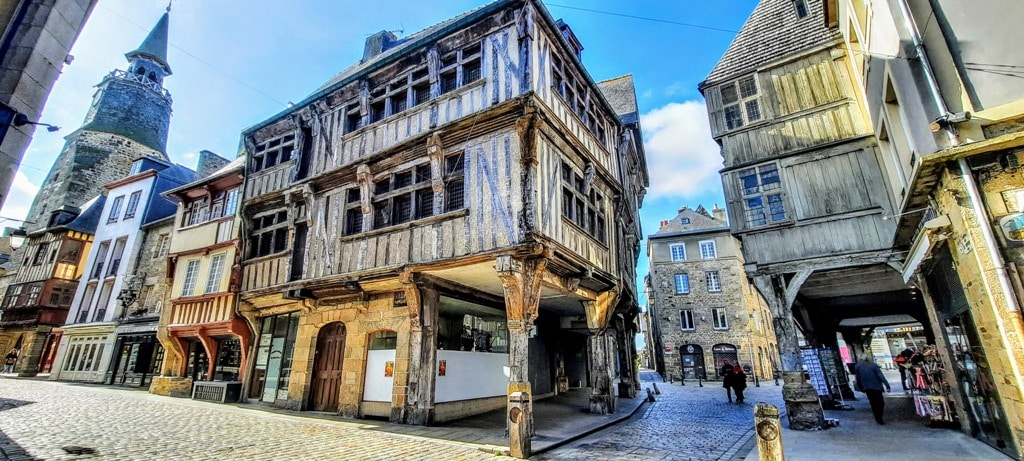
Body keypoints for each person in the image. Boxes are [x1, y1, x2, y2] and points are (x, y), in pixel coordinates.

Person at [854, 356, 891, 424]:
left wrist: (861, 387)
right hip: (876, 387)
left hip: (867, 387)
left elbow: (858, 378)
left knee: (873, 402)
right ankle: (879, 416)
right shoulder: (873, 366)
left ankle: (877, 417)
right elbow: (881, 376)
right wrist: (887, 385)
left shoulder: (857, 366)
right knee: (880, 403)